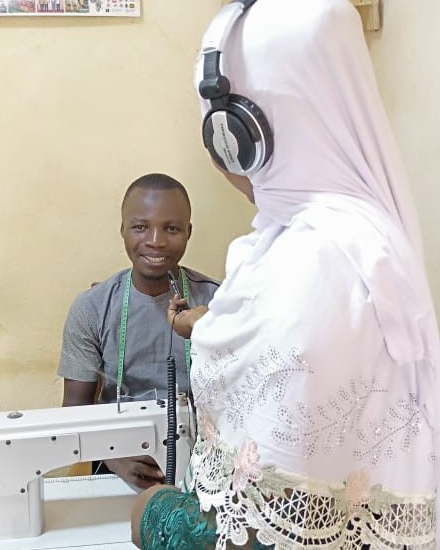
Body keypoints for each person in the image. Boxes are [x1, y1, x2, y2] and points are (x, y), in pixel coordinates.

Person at [131, 1, 439, 549]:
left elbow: (257, 532)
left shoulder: (314, 267)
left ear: (245, 133)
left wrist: (153, 518)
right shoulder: (358, 240)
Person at [57, 173, 218, 490]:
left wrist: (212, 329)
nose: (156, 240)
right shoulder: (93, 308)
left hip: (203, 465)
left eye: (171, 228)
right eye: (140, 227)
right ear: (123, 230)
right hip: (117, 460)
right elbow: (74, 412)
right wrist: (114, 457)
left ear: (188, 232)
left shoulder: (217, 303)